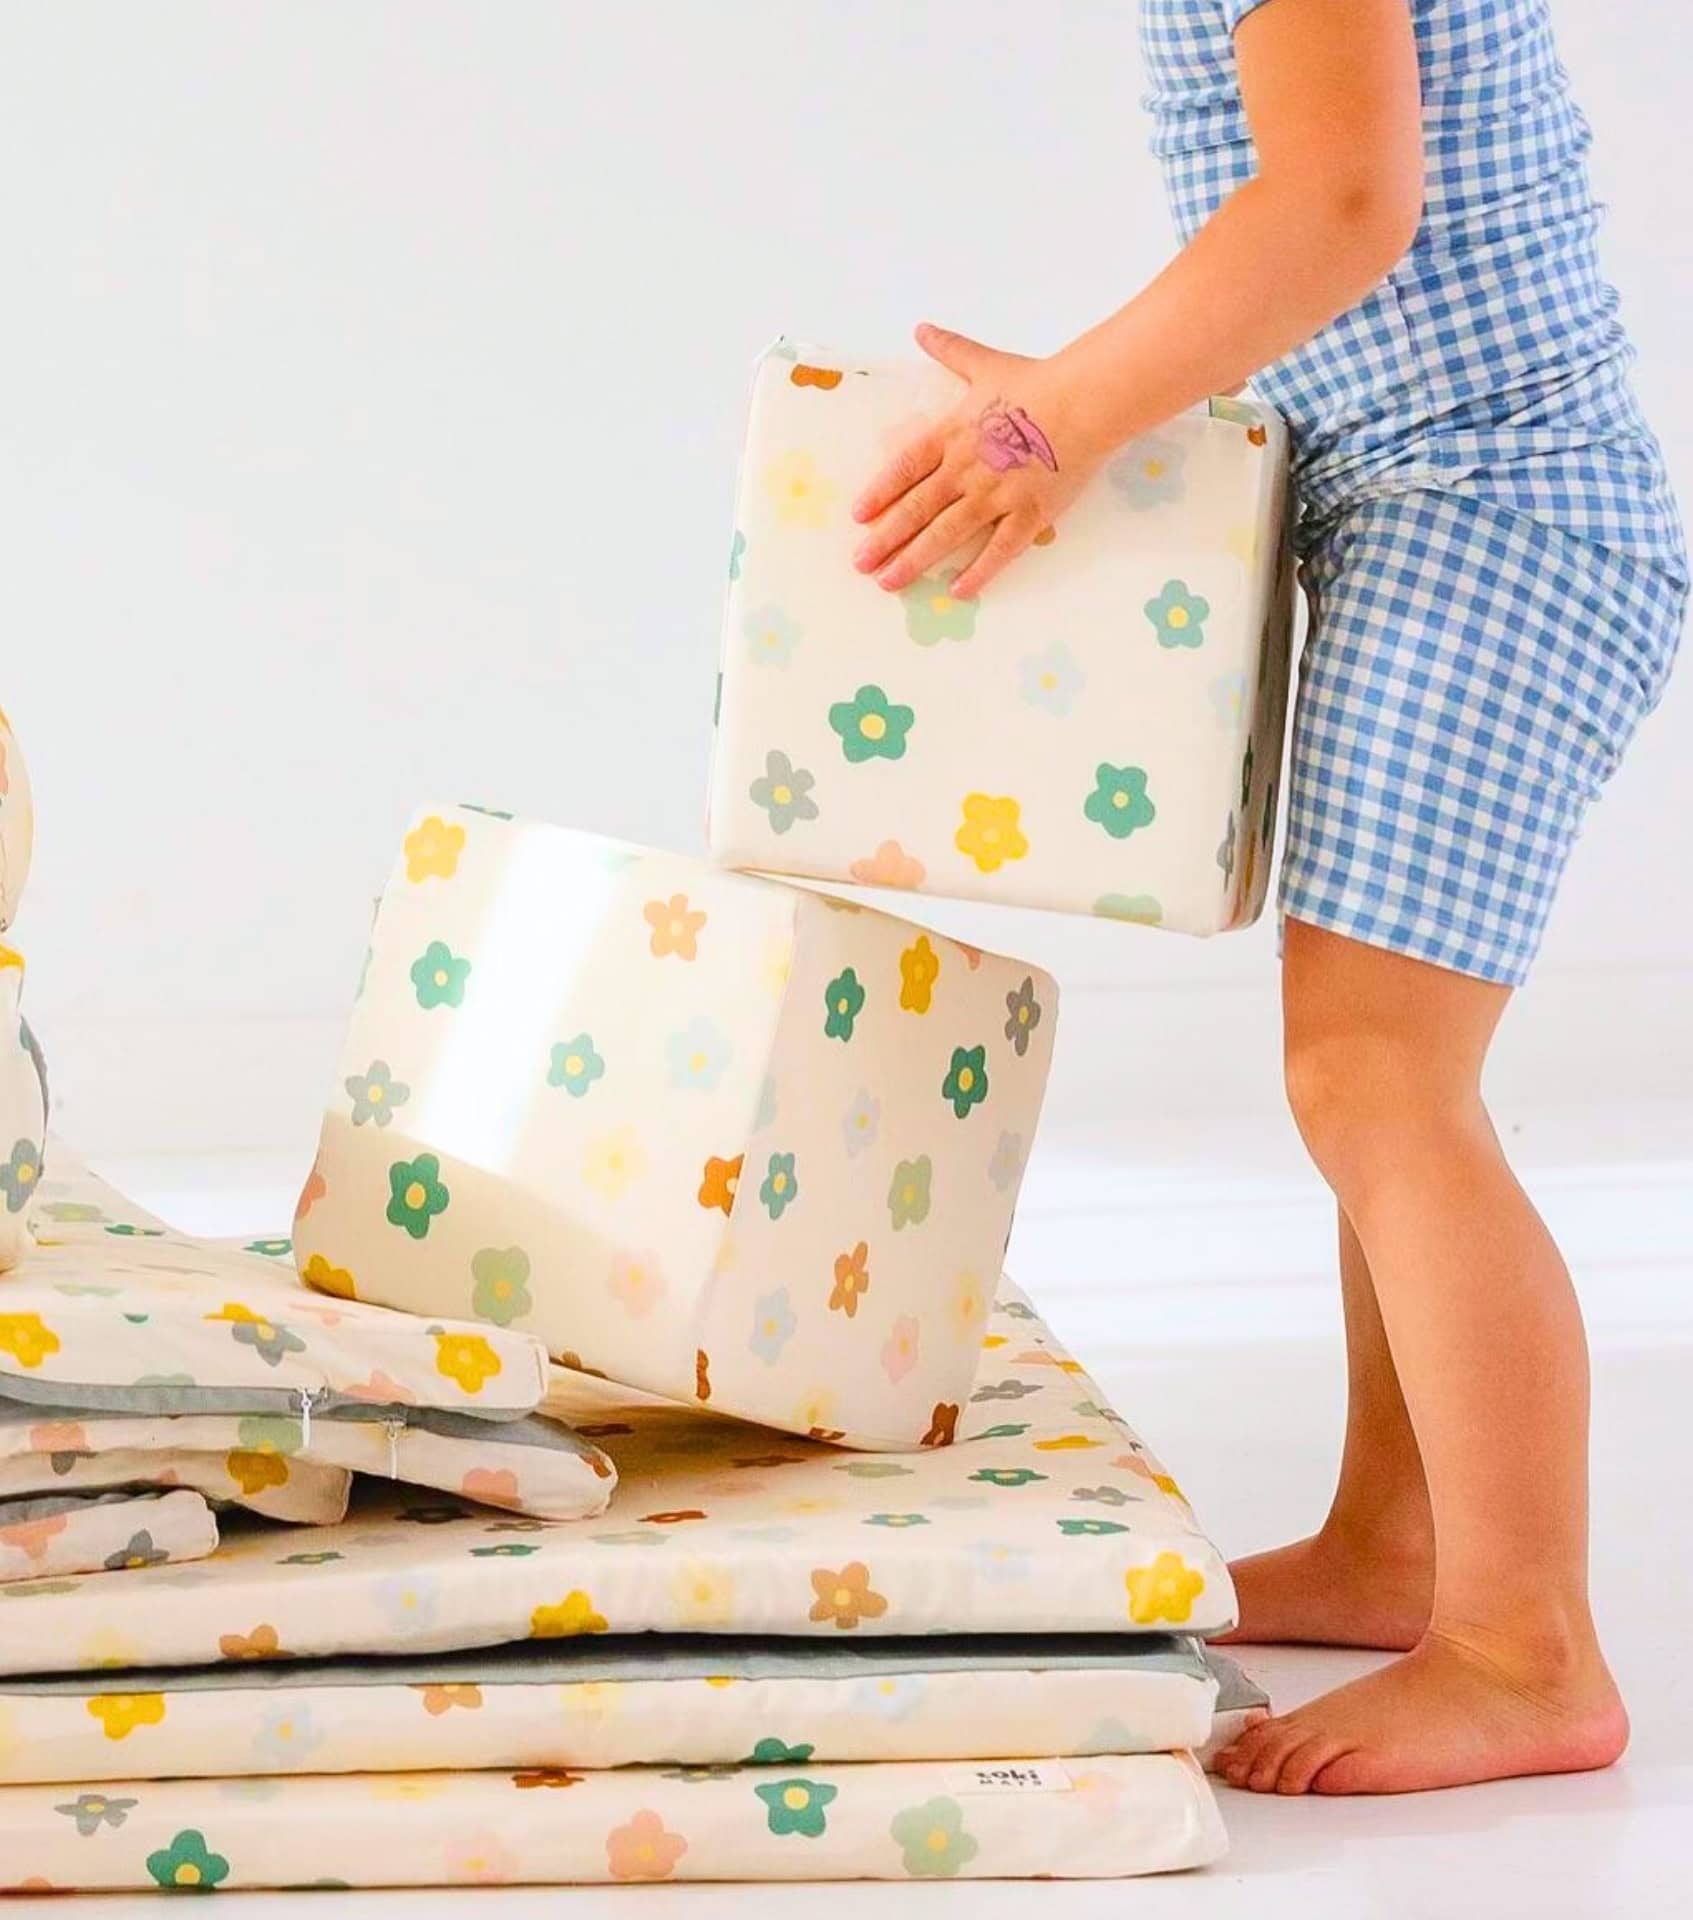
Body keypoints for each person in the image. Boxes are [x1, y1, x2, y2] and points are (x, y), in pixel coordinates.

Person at [849, 0, 1686, 1795]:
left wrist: (1061, 420)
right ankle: (1397, 1549)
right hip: (1414, 503)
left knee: (1380, 1080)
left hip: (1498, 515)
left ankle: (1522, 1649)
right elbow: (1339, 253)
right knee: (1369, 1072)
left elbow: (1337, 208)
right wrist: (1084, 397)